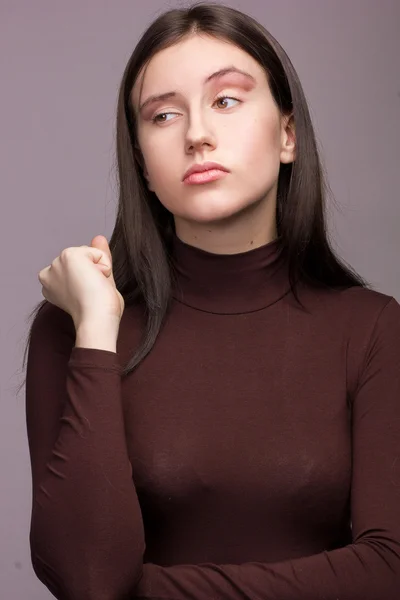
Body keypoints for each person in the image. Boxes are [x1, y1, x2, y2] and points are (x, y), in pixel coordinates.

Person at [20, 2, 400, 599]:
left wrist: (142, 592)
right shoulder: (74, 323)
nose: (197, 134)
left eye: (226, 100)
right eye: (164, 115)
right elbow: (89, 580)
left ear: (287, 135)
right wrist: (96, 330)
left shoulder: (372, 328)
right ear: (143, 165)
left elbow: (389, 569)